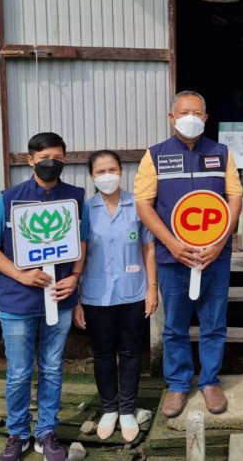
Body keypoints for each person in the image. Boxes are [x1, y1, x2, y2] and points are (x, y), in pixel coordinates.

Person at [0, 132, 88, 461]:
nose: (51, 164)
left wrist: (75, 277)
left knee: (52, 368)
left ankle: (46, 431)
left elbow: (83, 241)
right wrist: (20, 274)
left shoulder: (76, 197)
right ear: (30, 161)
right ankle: (18, 434)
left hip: (59, 299)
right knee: (19, 372)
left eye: (58, 159)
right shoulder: (9, 199)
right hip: (17, 300)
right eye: (44, 159)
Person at [134, 91, 243, 418]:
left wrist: (220, 242)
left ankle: (210, 382)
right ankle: (178, 384)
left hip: (215, 256)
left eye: (197, 113)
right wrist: (171, 243)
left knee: (214, 323)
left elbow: (235, 197)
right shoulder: (154, 156)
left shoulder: (221, 153)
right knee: (174, 326)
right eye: (183, 113)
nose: (190, 118)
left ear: (206, 118)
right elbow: (144, 205)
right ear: (172, 118)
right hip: (173, 258)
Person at [73, 150, 157, 442]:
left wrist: (152, 288)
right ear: (92, 176)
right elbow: (78, 255)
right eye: (100, 171)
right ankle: (109, 408)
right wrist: (77, 300)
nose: (107, 176)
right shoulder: (85, 210)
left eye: (112, 169)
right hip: (96, 294)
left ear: (121, 172)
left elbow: (148, 248)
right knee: (103, 353)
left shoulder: (138, 206)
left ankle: (127, 409)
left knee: (132, 352)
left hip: (133, 291)